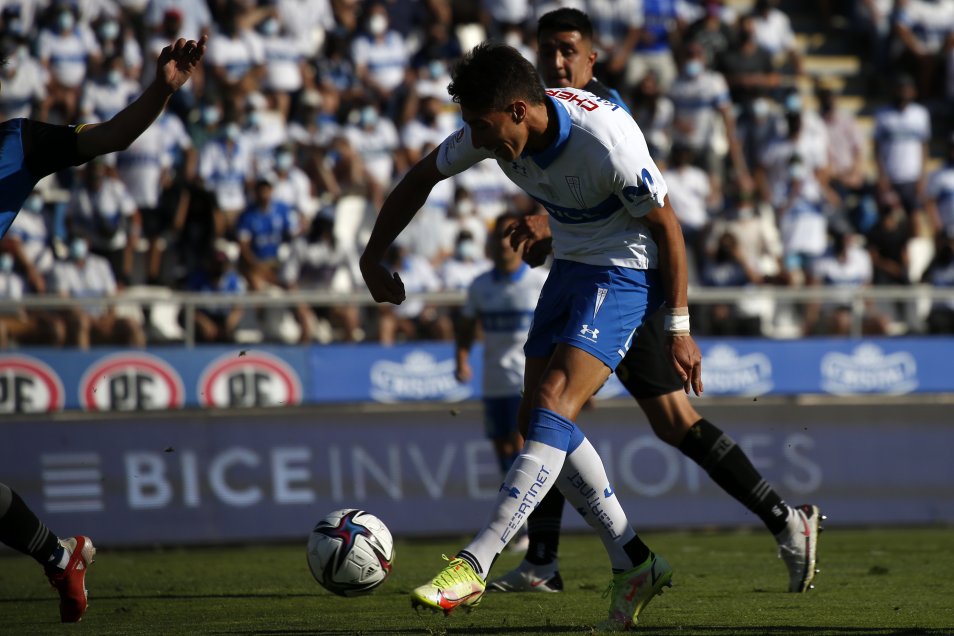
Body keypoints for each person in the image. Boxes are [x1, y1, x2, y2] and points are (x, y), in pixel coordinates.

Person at [360, 41, 701, 630]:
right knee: (537, 425)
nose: (479, 140)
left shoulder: (605, 144)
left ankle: (475, 562)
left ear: (519, 110)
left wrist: (679, 327)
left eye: (485, 127)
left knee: (552, 405)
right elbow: (421, 178)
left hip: (623, 270)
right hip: (569, 265)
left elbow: (668, 227)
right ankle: (635, 561)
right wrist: (371, 255)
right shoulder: (490, 129)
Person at [486, 7, 822, 598]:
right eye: (547, 51)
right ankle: (784, 520)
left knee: (563, 413)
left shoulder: (602, 113)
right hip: (590, 276)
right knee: (651, 422)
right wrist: (550, 230)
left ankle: (543, 559)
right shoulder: (535, 122)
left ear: (593, 57)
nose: (557, 61)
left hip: (625, 281)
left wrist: (675, 318)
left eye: (568, 50)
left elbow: (639, 205)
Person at [0, 33, 206, 622]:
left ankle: (59, 556)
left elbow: (113, 136)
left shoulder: (20, 141)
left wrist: (159, 90)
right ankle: (61, 557)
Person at [454, 212, 548, 477]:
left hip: (527, 380)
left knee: (523, 450)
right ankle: (517, 513)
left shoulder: (540, 281)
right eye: (498, 237)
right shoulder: (479, 285)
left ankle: (528, 512)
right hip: (494, 381)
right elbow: (467, 327)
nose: (502, 243)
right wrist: (461, 360)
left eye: (508, 237)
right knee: (503, 453)